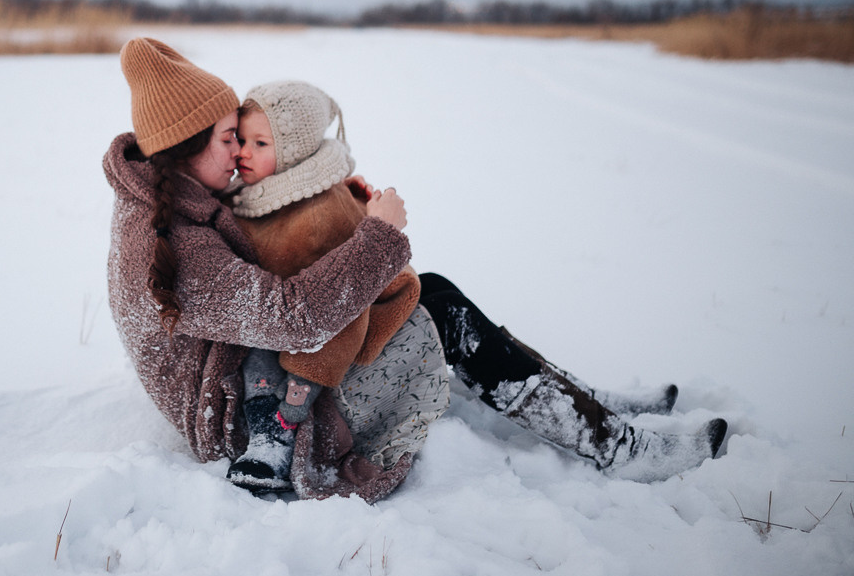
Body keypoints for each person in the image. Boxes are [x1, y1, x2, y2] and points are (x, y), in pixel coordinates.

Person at [104, 37, 726, 502]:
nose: (239, 152)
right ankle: (615, 446)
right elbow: (292, 319)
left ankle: (587, 403)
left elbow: (266, 240)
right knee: (442, 318)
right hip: (270, 424)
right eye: (226, 138)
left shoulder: (172, 198)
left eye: (243, 137)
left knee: (436, 294)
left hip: (279, 378)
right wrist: (378, 235)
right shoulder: (174, 244)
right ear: (185, 149)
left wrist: (333, 196)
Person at [222, 81, 435, 491]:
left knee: (274, 374)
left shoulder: (316, 220)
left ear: (295, 153)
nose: (243, 152)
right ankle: (266, 424)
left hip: (332, 339)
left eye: (261, 143)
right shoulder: (253, 195)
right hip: (278, 323)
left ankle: (277, 434)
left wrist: (303, 386)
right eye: (242, 139)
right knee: (257, 359)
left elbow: (346, 305)